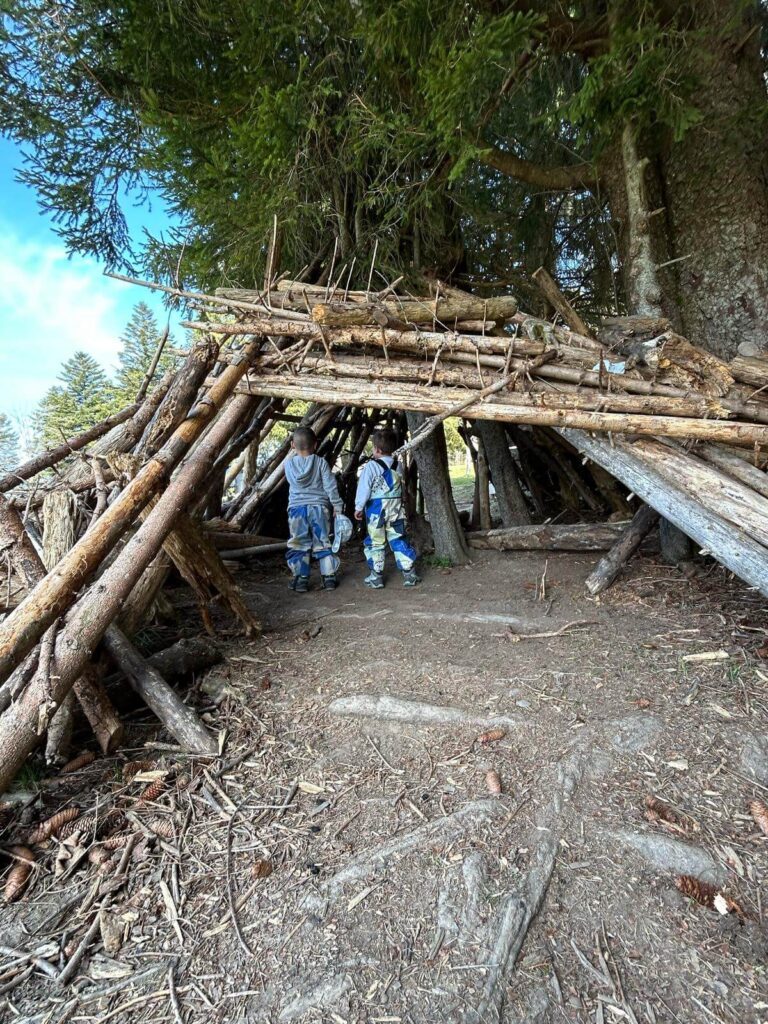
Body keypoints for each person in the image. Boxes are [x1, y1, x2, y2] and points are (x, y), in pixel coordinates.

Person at [355, 427, 421, 589]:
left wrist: (358, 507)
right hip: (396, 510)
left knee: (375, 542)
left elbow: (364, 488)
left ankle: (376, 576)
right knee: (398, 538)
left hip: (376, 513)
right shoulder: (398, 466)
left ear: (377, 449)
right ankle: (409, 573)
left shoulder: (371, 466)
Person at [285, 426, 343, 592]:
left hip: (297, 509)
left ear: (292, 445)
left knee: (298, 543)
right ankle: (329, 578)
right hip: (319, 508)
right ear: (316, 444)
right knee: (323, 541)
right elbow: (331, 487)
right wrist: (337, 506)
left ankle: (301, 579)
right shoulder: (321, 463)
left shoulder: (288, 465)